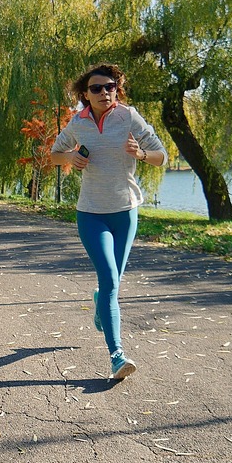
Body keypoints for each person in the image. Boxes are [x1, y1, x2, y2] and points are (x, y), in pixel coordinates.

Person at [50, 63, 166, 381]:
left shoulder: (129, 117)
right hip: (91, 213)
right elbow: (55, 154)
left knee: (111, 285)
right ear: (85, 95)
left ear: (117, 89)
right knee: (111, 281)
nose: (105, 92)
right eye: (97, 88)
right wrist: (70, 157)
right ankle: (117, 356)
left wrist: (141, 154)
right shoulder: (78, 123)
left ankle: (100, 302)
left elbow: (161, 156)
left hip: (125, 212)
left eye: (110, 86)